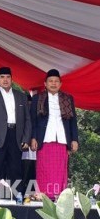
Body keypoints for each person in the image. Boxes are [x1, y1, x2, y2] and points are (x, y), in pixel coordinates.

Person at [0, 67, 31, 195]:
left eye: (8, 77)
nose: (5, 80)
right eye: (2, 77)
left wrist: (26, 139)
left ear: (12, 79)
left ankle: (17, 198)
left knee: (16, 169)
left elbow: (27, 119)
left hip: (16, 136)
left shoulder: (21, 96)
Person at [30, 69, 78, 199]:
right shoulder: (37, 98)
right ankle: (43, 196)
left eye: (56, 81)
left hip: (62, 139)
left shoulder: (68, 98)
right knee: (43, 168)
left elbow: (73, 121)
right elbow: (32, 120)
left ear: (60, 84)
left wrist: (74, 139)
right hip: (44, 139)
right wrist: (33, 137)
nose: (53, 83)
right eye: (50, 81)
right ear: (45, 84)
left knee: (60, 169)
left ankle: (59, 196)